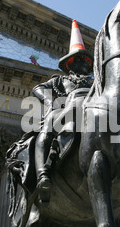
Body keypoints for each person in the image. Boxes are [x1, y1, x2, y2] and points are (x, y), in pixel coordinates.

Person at [33, 20, 93, 203]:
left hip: (92, 113)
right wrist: (51, 102)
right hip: (65, 111)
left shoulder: (95, 83)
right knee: (47, 128)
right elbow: (38, 88)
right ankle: (42, 173)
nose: (83, 61)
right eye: (78, 58)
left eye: (85, 59)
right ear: (69, 63)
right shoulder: (60, 81)